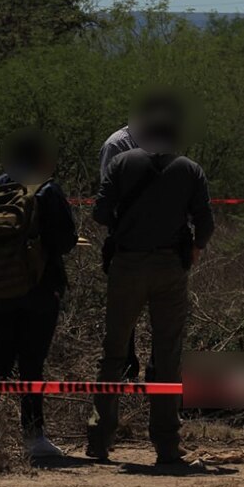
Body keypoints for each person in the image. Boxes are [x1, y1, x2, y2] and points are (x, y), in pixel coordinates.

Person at [87, 91, 214, 464]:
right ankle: (166, 445)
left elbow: (99, 213)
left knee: (113, 353)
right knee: (167, 354)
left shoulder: (121, 162)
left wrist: (128, 227)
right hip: (170, 270)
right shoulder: (190, 169)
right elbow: (205, 224)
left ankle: (99, 440)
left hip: (127, 266)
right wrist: (192, 249)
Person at [0, 129, 78, 459]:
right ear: (40, 158)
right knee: (32, 361)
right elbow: (66, 241)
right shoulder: (46, 190)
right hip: (40, 288)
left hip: (0, 286)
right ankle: (33, 438)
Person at [99, 124, 143, 380]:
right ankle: (124, 374)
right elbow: (108, 201)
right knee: (124, 316)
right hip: (127, 244)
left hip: (164, 248)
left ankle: (161, 381)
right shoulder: (116, 145)